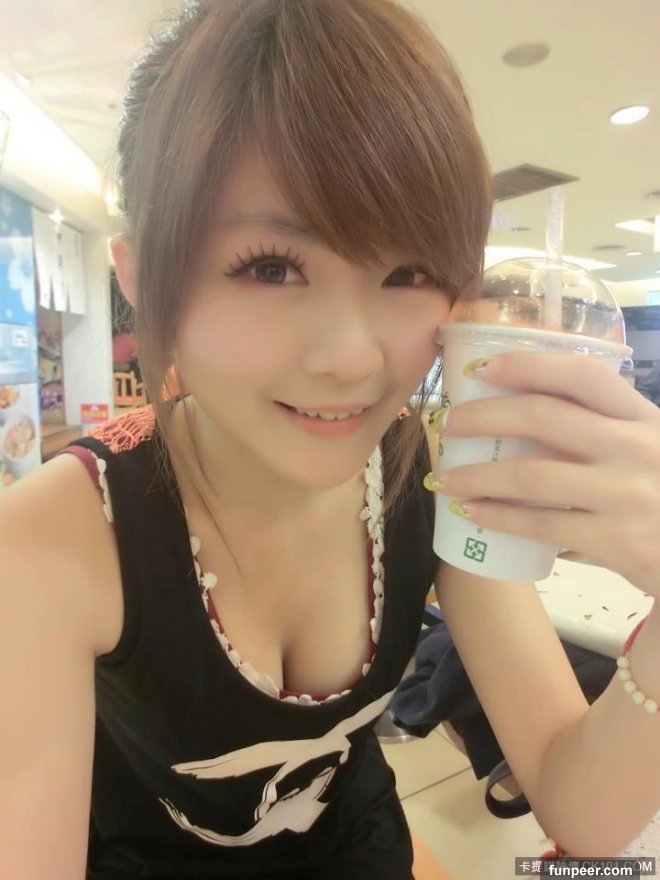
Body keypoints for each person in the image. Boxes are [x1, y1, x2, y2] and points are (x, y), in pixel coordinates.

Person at [1, 2, 659, 878]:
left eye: (409, 272)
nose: (353, 360)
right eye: (271, 267)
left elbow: (584, 810)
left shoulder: (428, 473)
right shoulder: (54, 538)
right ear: (143, 280)